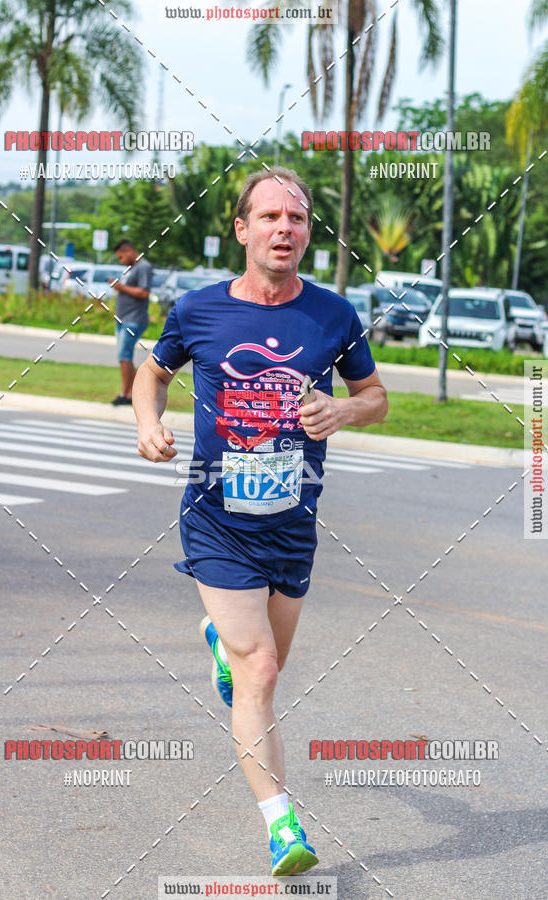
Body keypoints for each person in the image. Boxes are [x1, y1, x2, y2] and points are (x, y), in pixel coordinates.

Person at [132, 167, 388, 875]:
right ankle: (283, 827)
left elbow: (376, 397)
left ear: (308, 233)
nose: (285, 228)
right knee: (262, 672)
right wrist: (148, 424)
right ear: (242, 230)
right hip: (216, 519)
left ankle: (220, 638)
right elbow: (153, 371)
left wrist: (342, 410)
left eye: (298, 218)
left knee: (264, 672)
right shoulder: (198, 311)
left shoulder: (333, 316)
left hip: (293, 520)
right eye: (270, 217)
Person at [108, 239, 152, 405]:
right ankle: (133, 394)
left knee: (124, 356)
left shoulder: (143, 267)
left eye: (121, 257)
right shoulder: (132, 268)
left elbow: (144, 292)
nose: (121, 261)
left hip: (133, 320)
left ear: (129, 252)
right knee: (123, 357)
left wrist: (120, 287)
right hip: (123, 319)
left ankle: (126, 395)